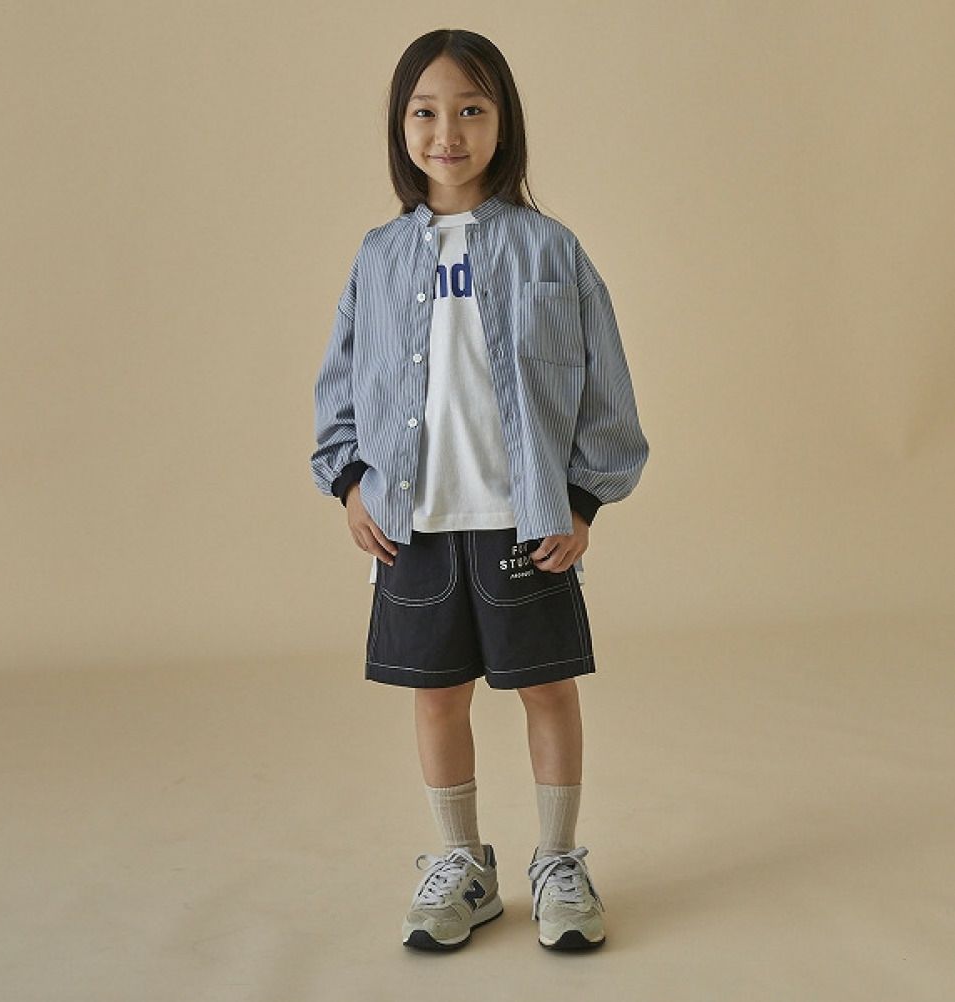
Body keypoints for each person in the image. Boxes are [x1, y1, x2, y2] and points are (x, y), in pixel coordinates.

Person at [310, 28, 649, 952]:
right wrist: (349, 482)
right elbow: (341, 384)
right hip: (412, 522)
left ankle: (559, 860)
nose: (447, 132)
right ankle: (460, 862)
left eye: (470, 109)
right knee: (436, 696)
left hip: (524, 519)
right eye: (425, 112)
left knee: (548, 690)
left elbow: (606, 387)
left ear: (504, 123)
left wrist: (582, 499)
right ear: (400, 126)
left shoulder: (551, 249)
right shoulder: (379, 257)